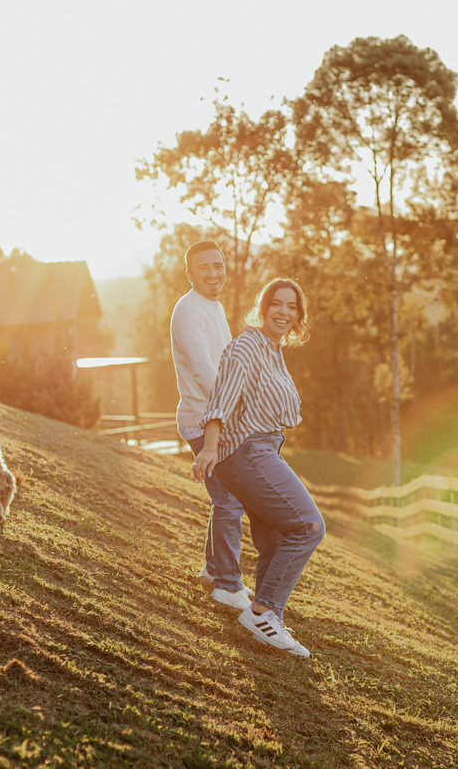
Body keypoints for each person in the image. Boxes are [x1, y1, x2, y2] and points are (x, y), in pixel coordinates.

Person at [194, 278, 325, 658]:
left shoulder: (272, 350)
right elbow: (219, 401)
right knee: (309, 526)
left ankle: (268, 618)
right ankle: (262, 613)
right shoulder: (247, 346)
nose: (283, 312)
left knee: (277, 537)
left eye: (291, 306)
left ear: (298, 315)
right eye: (277, 304)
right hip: (247, 451)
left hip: (263, 448)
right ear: (263, 308)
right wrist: (209, 448)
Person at [170, 240, 252, 611]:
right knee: (229, 502)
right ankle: (227, 586)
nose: (213, 273)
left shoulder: (212, 306)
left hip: (217, 417)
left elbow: (227, 364)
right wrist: (236, 408)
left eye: (218, 265)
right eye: (204, 267)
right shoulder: (189, 311)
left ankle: (213, 571)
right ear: (189, 274)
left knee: (227, 500)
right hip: (204, 420)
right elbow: (204, 370)